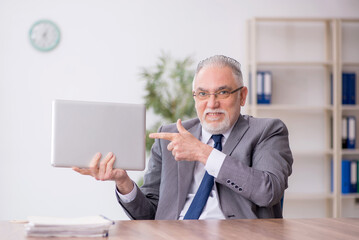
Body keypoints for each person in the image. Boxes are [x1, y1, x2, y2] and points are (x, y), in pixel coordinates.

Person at [73, 55, 293, 220]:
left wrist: (204, 153)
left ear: (242, 95)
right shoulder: (169, 136)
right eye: (203, 93)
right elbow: (149, 216)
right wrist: (123, 182)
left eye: (223, 93)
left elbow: (268, 191)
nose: (212, 103)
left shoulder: (268, 130)